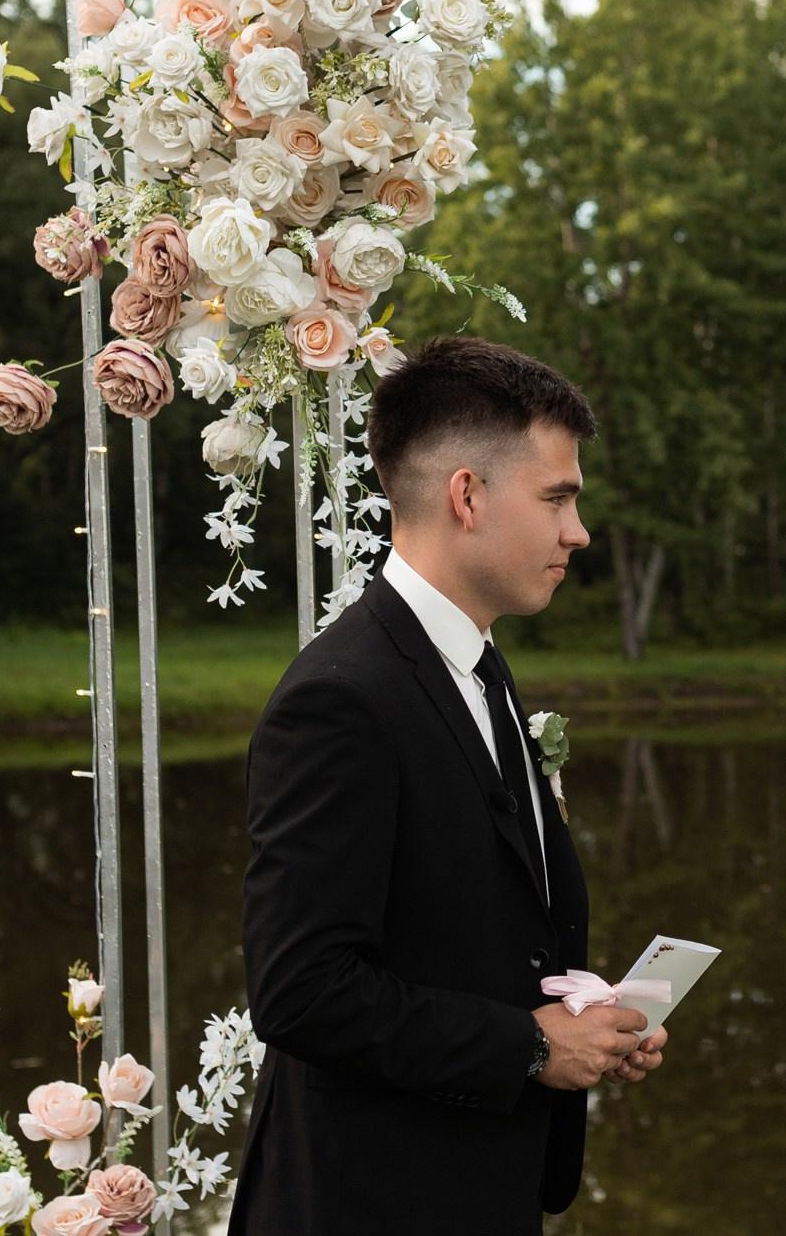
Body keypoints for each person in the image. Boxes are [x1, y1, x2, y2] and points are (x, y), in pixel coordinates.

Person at [230, 338, 668, 1236]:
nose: (577, 532)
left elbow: (470, 922)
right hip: (372, 1200)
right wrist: (534, 1046)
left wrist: (586, 1020)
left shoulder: (476, 664)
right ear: (467, 496)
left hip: (480, 1184)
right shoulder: (342, 698)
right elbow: (301, 991)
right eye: (557, 498)